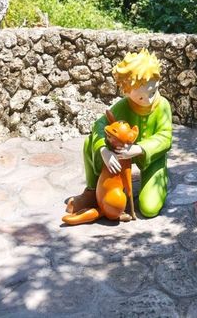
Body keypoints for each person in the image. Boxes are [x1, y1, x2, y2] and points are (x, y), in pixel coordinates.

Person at [66, 48, 172, 219]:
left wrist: (140, 149)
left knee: (149, 208)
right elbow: (100, 125)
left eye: (153, 92)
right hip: (122, 153)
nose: (149, 100)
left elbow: (166, 137)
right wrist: (104, 150)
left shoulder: (163, 106)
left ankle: (161, 177)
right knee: (90, 142)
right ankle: (93, 190)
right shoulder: (123, 106)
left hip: (151, 156)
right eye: (140, 98)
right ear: (127, 92)